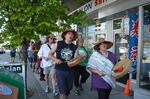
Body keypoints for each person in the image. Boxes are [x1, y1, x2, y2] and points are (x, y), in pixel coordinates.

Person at [48, 30, 78, 99]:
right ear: (65, 35)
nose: (70, 35)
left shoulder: (74, 47)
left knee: (68, 90)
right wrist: (56, 59)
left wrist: (74, 60)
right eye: (69, 33)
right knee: (62, 91)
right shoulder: (58, 43)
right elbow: (49, 54)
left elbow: (76, 58)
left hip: (70, 71)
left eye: (72, 34)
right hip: (60, 70)